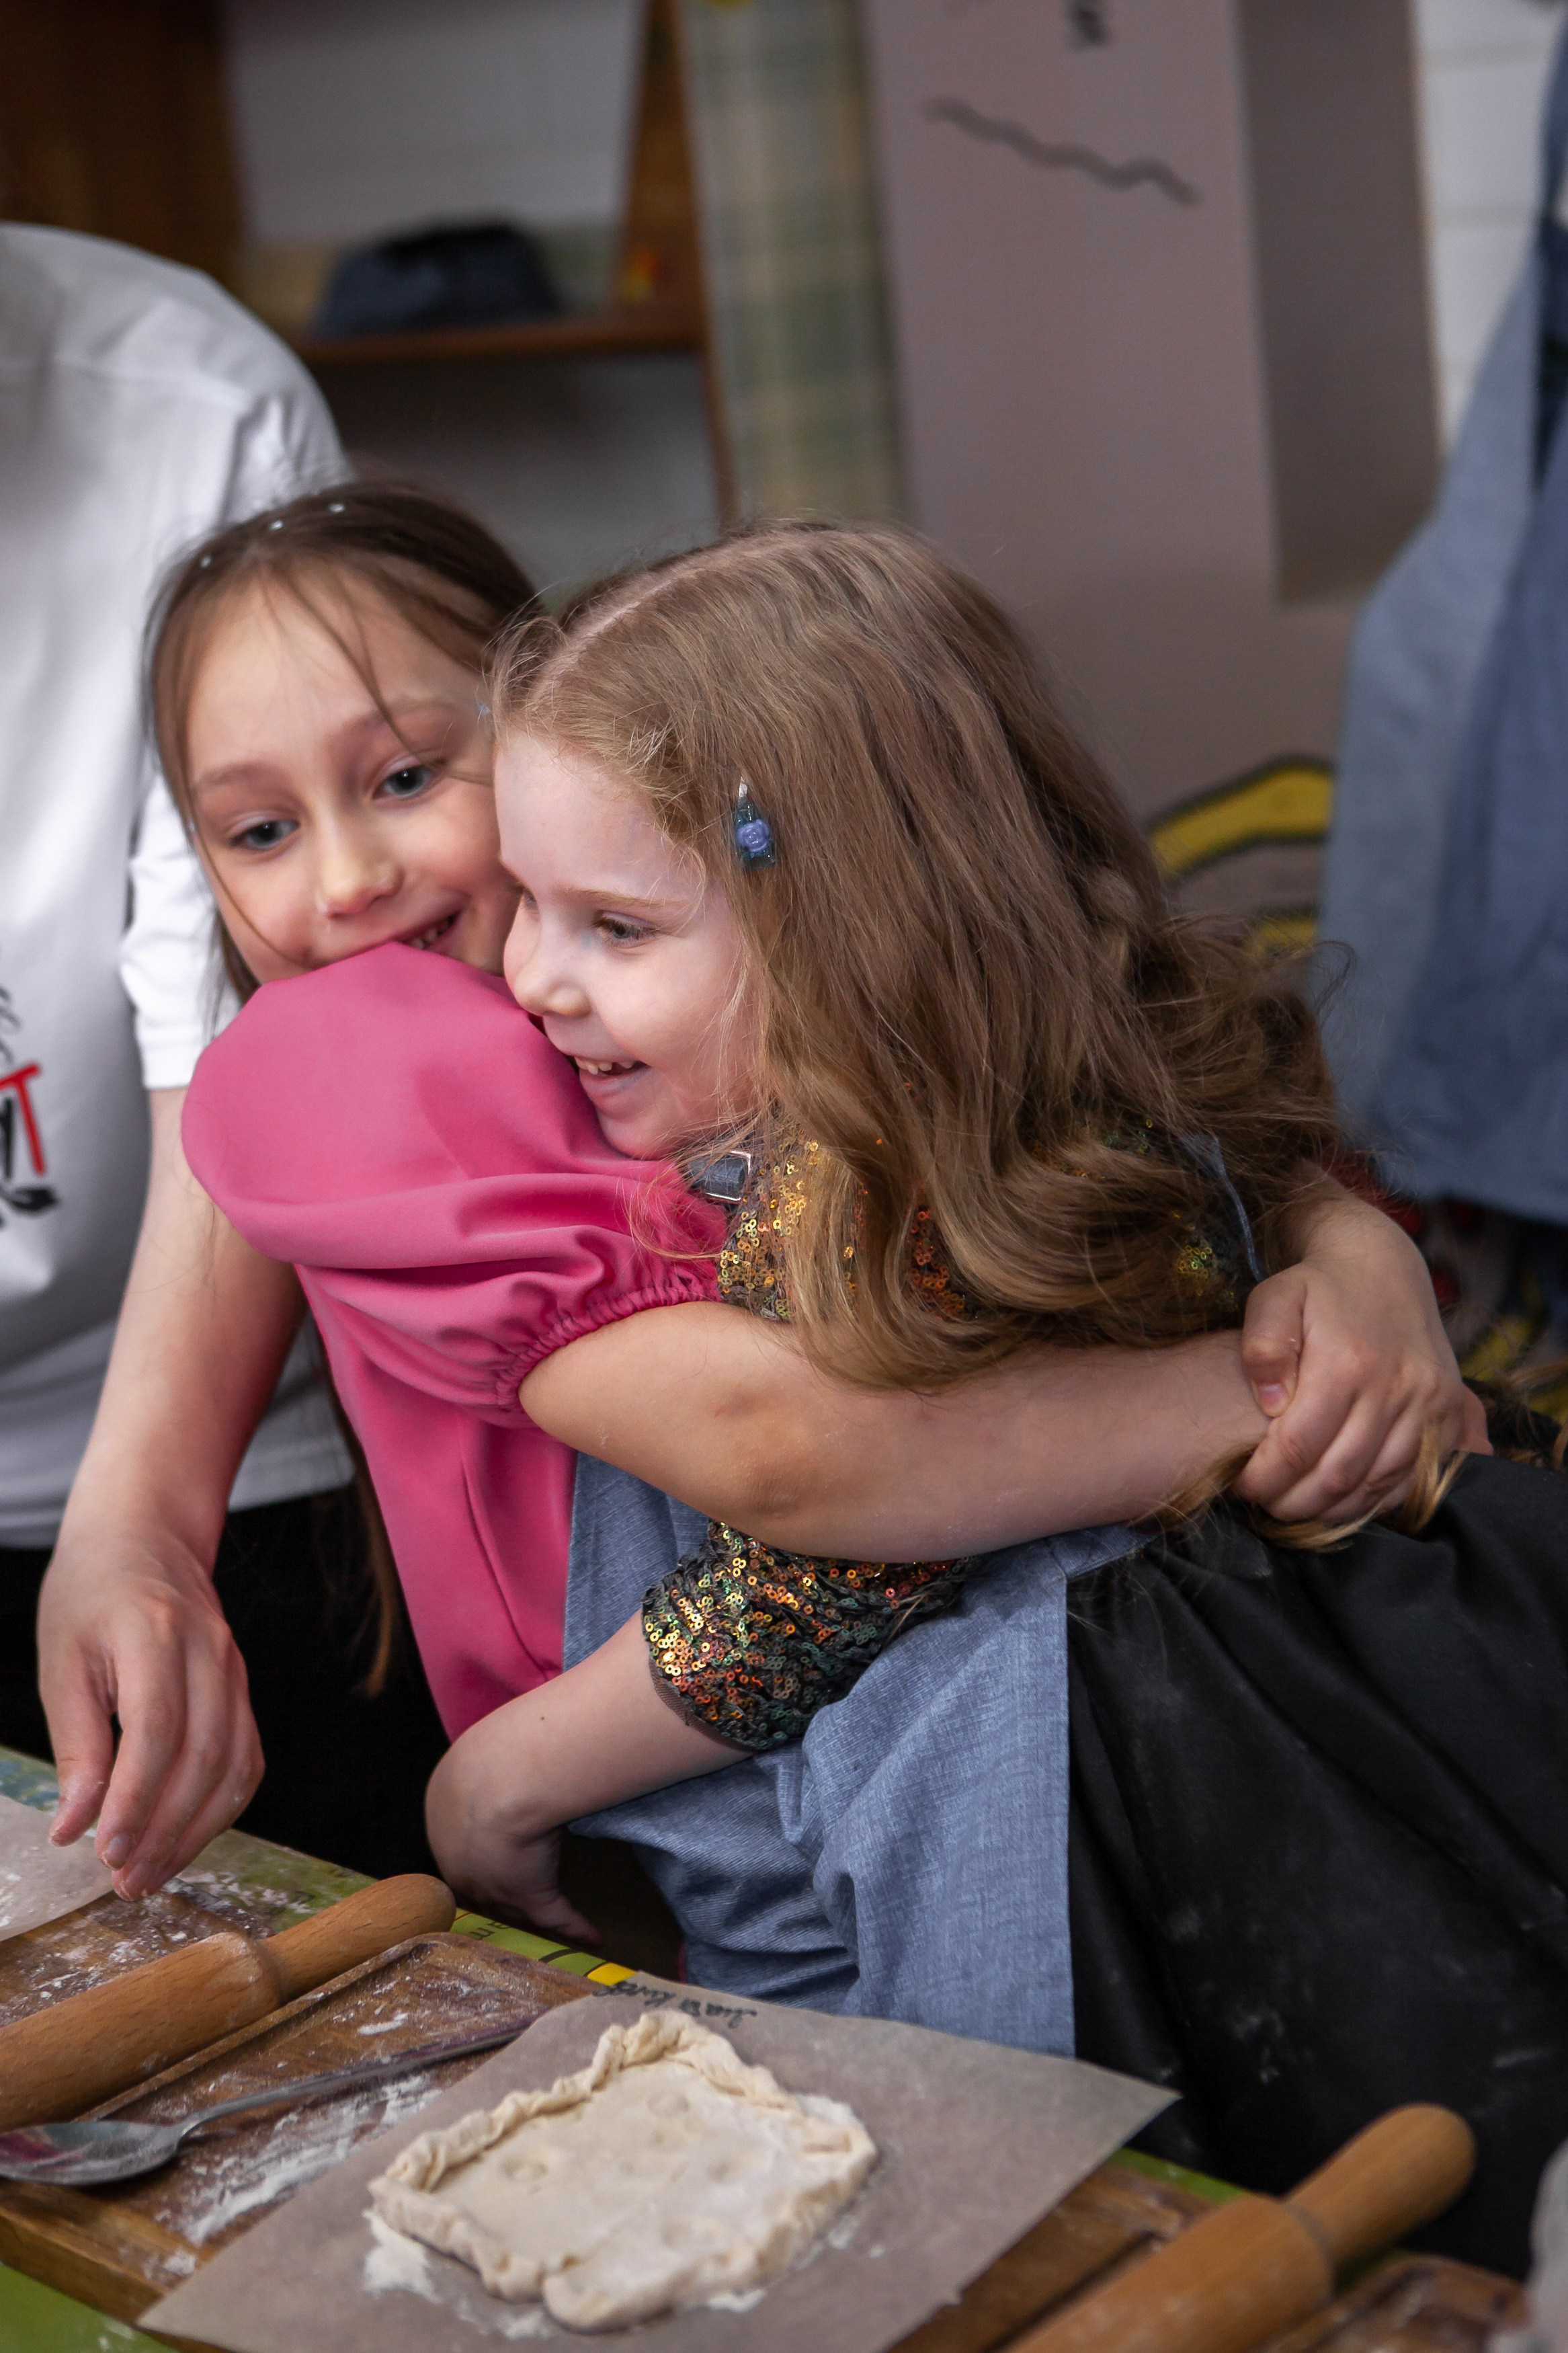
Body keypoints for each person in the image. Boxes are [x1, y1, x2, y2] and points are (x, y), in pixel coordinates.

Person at [79, 491, 1465, 1912]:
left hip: (1037, 1758)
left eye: (409, 778)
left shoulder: (791, 1026)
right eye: (255, 830)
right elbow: (806, 1461)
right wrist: (1280, 1397)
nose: (353, 878)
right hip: (695, 1789)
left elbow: (1198, 1132)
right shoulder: (350, 1052)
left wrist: (1350, 1255)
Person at [0, 224, 445, 1878]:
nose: (353, 864)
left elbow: (226, 1001)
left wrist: (139, 1511)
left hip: (220, 1427)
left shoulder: (187, 403)